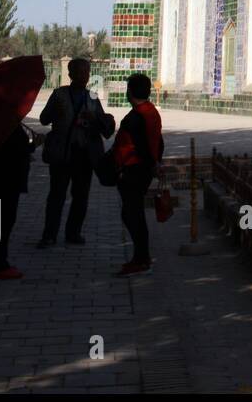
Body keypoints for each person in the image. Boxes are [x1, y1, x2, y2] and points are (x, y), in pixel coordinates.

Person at [37, 59, 114, 247]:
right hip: (62, 153)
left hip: (85, 154)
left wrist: (94, 117)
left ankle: (73, 232)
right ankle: (49, 235)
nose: (84, 76)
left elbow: (105, 126)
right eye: (80, 72)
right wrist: (56, 112)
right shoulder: (58, 95)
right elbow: (43, 119)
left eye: (87, 72)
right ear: (70, 74)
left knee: (81, 196)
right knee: (57, 195)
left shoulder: (93, 97)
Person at [112, 73, 163, 277]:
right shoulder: (151, 112)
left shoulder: (135, 117)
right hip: (145, 169)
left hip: (133, 170)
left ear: (130, 91)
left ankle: (141, 258)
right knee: (133, 213)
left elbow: (130, 147)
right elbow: (158, 141)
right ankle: (141, 256)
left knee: (133, 215)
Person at [0, 123, 38, 280]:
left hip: (1, 178)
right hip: (5, 178)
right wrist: (34, 144)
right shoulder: (4, 124)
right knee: (3, 220)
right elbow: (16, 149)